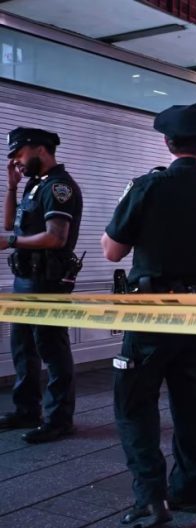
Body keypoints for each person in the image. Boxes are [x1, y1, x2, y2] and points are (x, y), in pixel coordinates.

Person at [101, 104, 196, 528]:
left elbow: (112, 251)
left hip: (150, 317)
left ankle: (150, 498)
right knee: (193, 404)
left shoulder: (147, 187)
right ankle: (191, 490)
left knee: (134, 403)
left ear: (167, 142)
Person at [0, 127, 83, 444]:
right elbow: (11, 224)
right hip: (25, 278)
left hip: (48, 281)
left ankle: (59, 419)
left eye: (20, 155)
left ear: (40, 149)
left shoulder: (59, 187)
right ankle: (26, 411)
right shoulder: (34, 185)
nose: (17, 162)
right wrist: (11, 188)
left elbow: (55, 237)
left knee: (52, 349)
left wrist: (9, 242)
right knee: (22, 348)